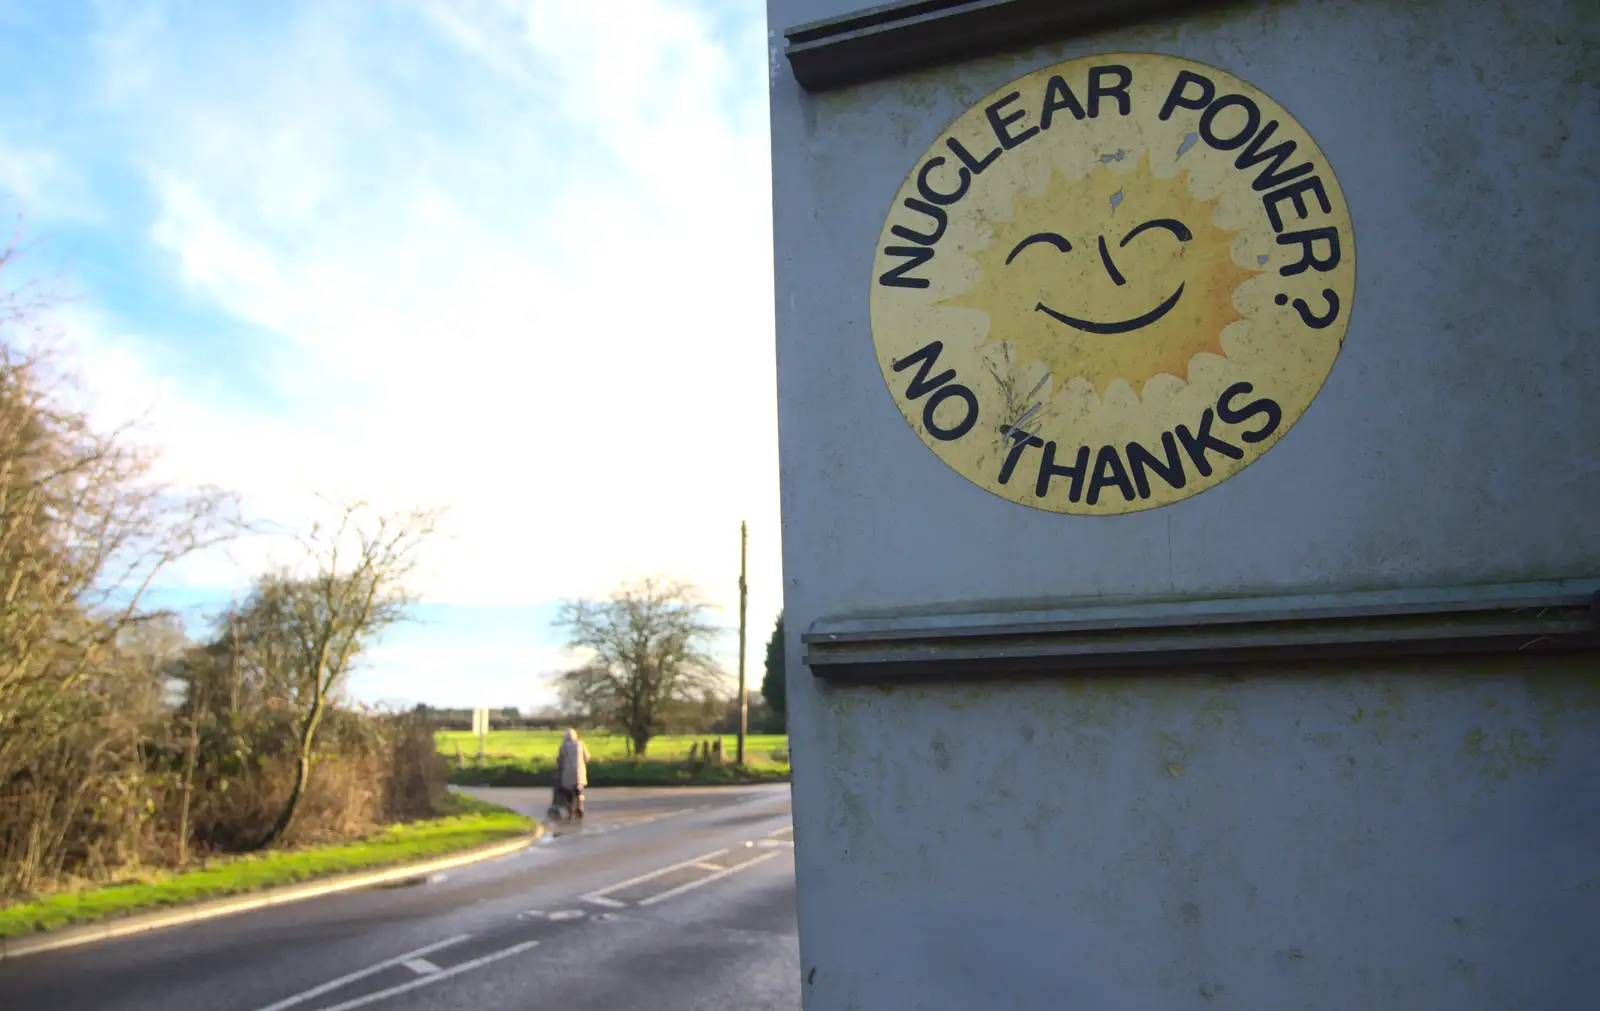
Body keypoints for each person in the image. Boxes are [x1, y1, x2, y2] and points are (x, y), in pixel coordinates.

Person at [554, 728, 590, 820]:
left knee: (569, 794)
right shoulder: (581, 744)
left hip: (568, 773)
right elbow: (587, 757)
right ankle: (580, 807)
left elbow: (560, 759)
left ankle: (571, 813)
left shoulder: (564, 746)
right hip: (580, 773)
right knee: (579, 791)